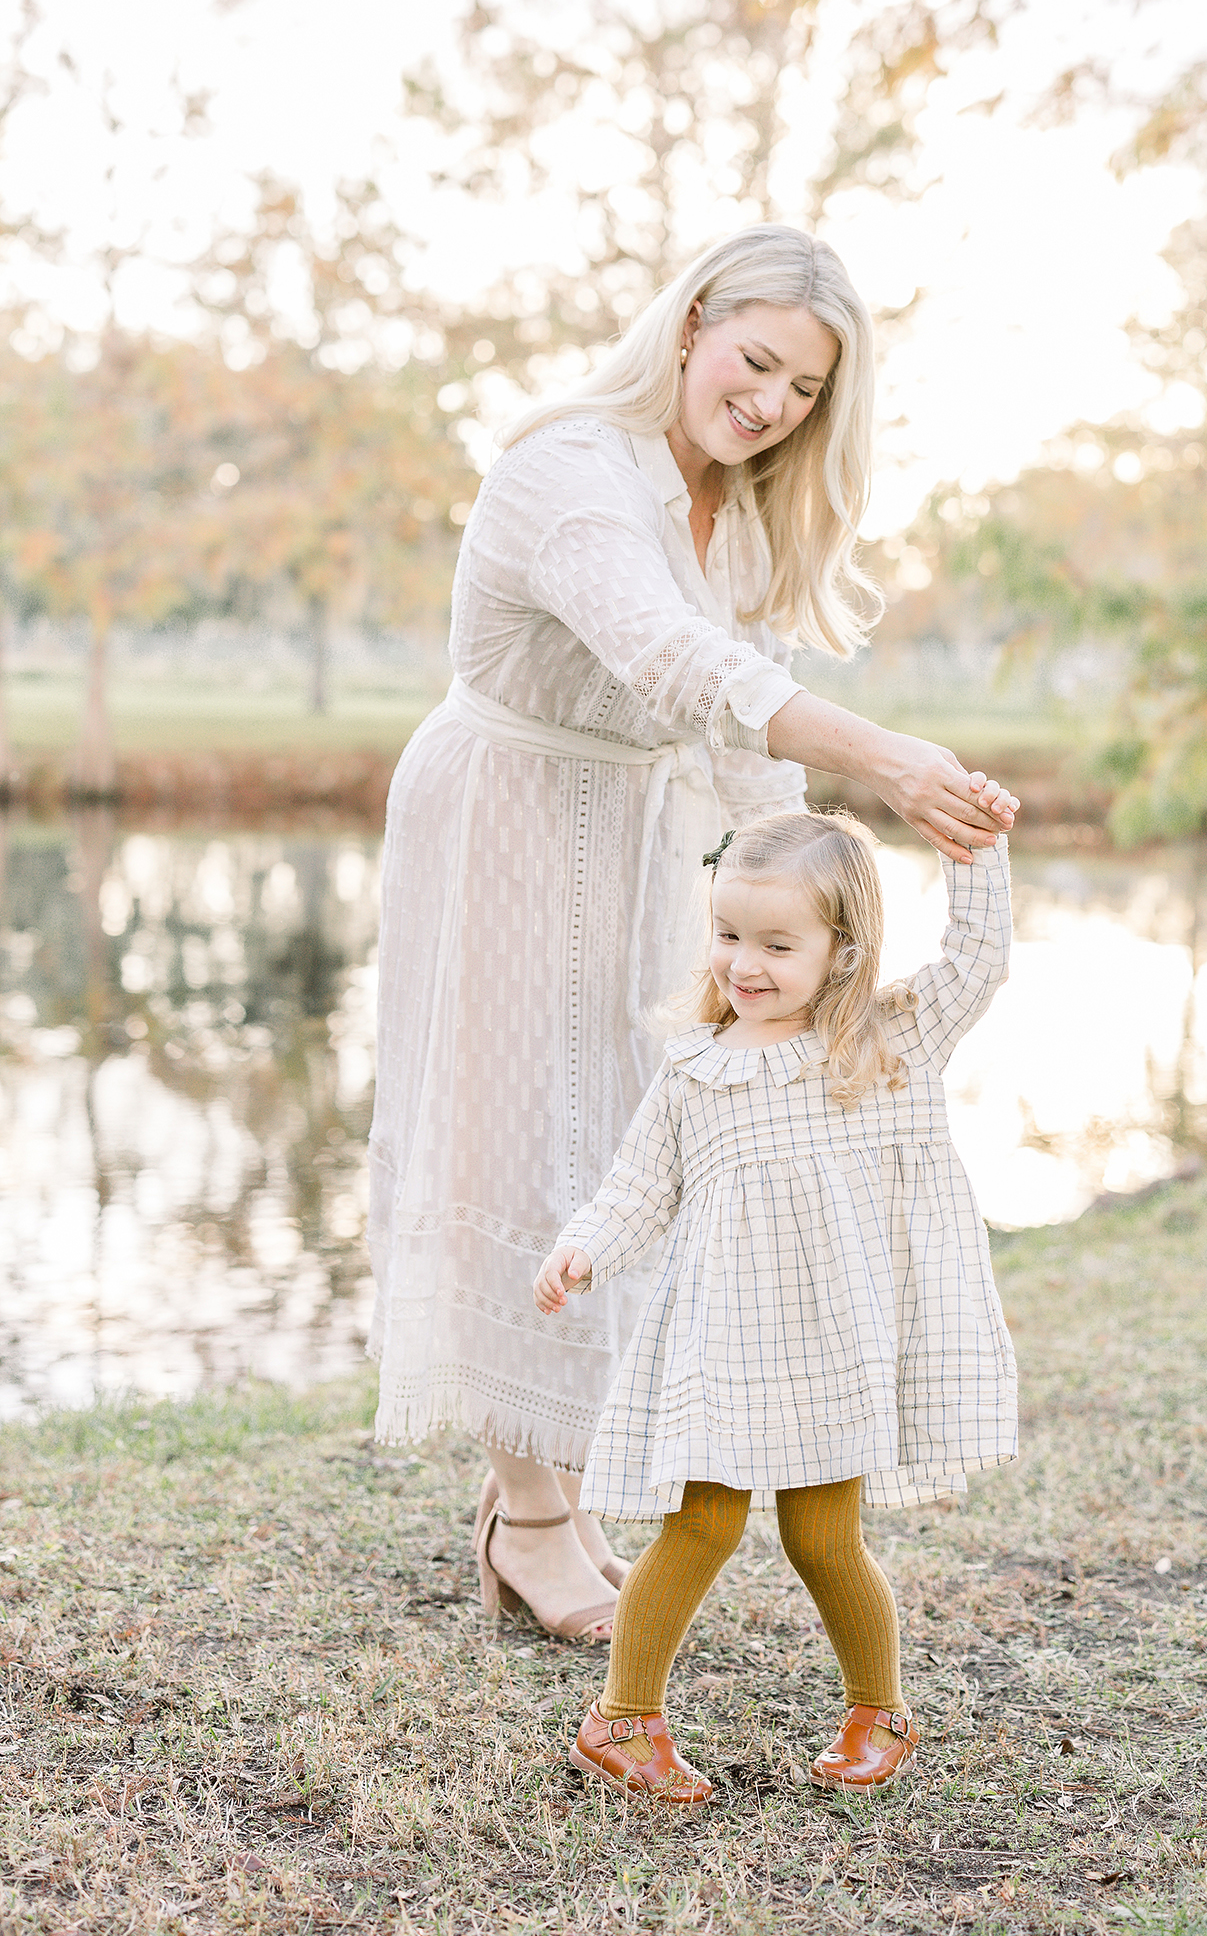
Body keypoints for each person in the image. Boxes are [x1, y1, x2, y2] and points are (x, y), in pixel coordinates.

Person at [367, 225, 1016, 1644]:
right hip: (508, 821)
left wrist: (818, 922)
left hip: (647, 842)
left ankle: (553, 1500)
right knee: (513, 1137)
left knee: (621, 1141)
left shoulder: (739, 504)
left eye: (805, 388)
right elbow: (680, 664)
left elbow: (744, 753)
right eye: (759, 359)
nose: (774, 400)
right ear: (693, 324)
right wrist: (896, 762)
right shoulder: (570, 475)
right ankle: (529, 1513)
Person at [533, 807, 1018, 1798]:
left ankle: (877, 1710)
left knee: (824, 1536)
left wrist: (974, 847)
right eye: (726, 935)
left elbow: (977, 957)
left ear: (843, 950)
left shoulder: (888, 1044)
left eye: (776, 944)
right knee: (700, 1525)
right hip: (728, 1348)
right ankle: (621, 1719)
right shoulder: (695, 1072)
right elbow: (637, 1190)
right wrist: (583, 1248)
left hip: (835, 1350)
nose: (741, 964)